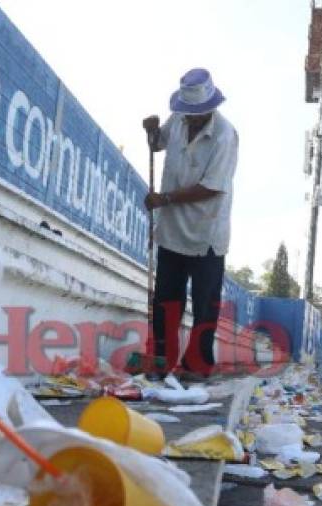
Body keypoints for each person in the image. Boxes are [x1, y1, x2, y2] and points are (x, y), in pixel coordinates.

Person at [143, 68, 239, 378]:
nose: (192, 118)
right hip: (172, 231)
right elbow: (159, 143)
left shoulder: (225, 135)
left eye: (198, 113)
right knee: (165, 300)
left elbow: (212, 186)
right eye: (189, 113)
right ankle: (161, 358)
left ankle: (197, 364)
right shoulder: (179, 119)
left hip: (205, 233)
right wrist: (152, 132)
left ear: (210, 107)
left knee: (204, 305)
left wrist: (166, 199)